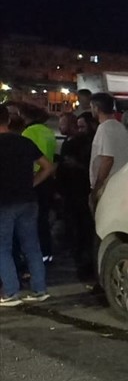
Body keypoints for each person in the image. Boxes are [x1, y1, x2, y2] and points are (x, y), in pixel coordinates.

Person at [0, 106, 55, 305]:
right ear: (7, 120)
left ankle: (11, 292)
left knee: (2, 248)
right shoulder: (24, 142)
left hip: (4, 202)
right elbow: (48, 166)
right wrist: (32, 182)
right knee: (32, 246)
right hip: (28, 200)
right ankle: (40, 289)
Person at [59, 111, 97, 283]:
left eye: (82, 127)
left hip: (82, 191)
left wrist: (77, 165)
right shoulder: (71, 142)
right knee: (75, 228)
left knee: (84, 229)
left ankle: (86, 264)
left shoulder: (89, 144)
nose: (80, 130)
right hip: (70, 191)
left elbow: (91, 168)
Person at [19, 102, 58, 264]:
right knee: (43, 219)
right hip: (47, 180)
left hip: (35, 179)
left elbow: (28, 158)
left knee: (31, 221)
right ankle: (47, 253)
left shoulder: (29, 132)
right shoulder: (48, 131)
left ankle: (35, 256)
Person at [90, 93, 128, 211]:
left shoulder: (105, 128)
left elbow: (108, 159)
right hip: (120, 183)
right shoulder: (120, 127)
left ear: (96, 108)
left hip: (108, 185)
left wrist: (98, 186)